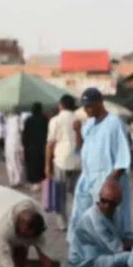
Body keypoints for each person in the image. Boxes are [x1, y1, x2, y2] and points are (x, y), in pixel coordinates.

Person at [67, 87, 133, 244]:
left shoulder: (114, 123)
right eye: (84, 107)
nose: (86, 110)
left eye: (89, 106)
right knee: (81, 213)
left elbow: (123, 158)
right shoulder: (89, 124)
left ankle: (113, 246)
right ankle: (81, 245)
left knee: (108, 218)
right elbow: (81, 148)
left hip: (106, 177)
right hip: (87, 176)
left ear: (100, 103)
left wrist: (110, 182)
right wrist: (77, 132)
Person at [67, 179, 133, 267]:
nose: (106, 206)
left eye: (111, 203)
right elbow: (117, 248)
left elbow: (123, 239)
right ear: (99, 198)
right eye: (104, 201)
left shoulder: (118, 214)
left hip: (99, 259)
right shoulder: (93, 217)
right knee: (130, 258)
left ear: (118, 203)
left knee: (128, 258)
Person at [45, 95, 81, 230]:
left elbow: (50, 144)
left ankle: (62, 222)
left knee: (60, 193)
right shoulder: (80, 119)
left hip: (61, 160)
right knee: (76, 193)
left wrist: (47, 166)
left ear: (61, 105)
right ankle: (76, 220)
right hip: (78, 161)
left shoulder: (55, 120)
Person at [22, 102, 49, 190]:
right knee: (41, 164)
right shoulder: (45, 120)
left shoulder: (29, 120)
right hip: (42, 146)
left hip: (31, 147)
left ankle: (35, 183)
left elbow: (25, 134)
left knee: (32, 165)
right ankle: (42, 182)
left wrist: (25, 145)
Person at [4, 111, 25, 187]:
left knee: (12, 162)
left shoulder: (10, 119)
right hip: (13, 143)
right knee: (15, 162)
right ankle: (16, 180)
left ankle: (14, 180)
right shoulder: (16, 119)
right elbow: (22, 130)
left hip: (11, 143)